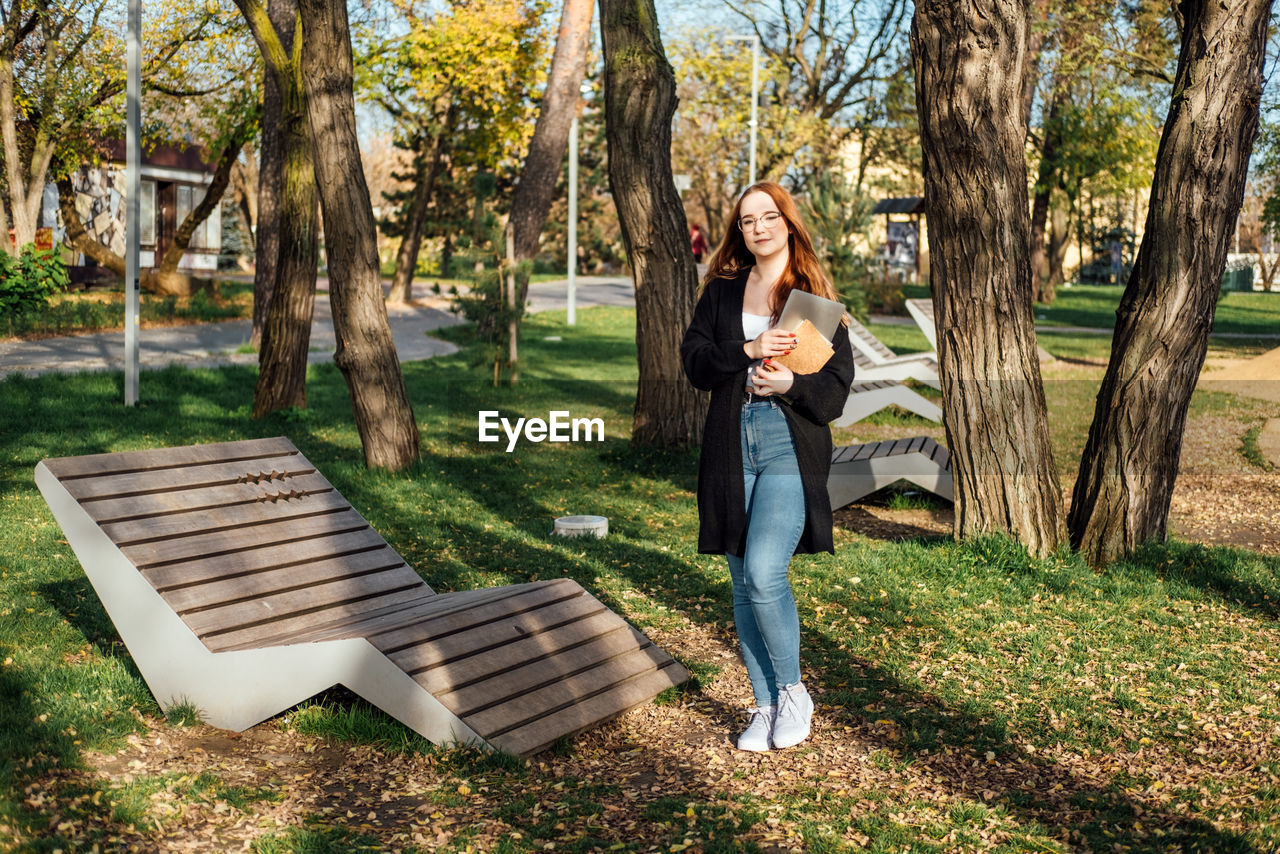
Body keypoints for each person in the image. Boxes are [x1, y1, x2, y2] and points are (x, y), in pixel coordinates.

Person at [680, 182, 855, 751]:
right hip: (730, 443)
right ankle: (763, 704)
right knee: (739, 581)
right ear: (741, 230)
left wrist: (790, 383)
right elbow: (697, 364)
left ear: (787, 223)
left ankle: (793, 691)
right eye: (748, 219)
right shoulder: (723, 293)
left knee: (762, 572)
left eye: (768, 216)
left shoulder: (813, 303)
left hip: (786, 443)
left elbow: (832, 398)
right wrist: (750, 352)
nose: (758, 226)